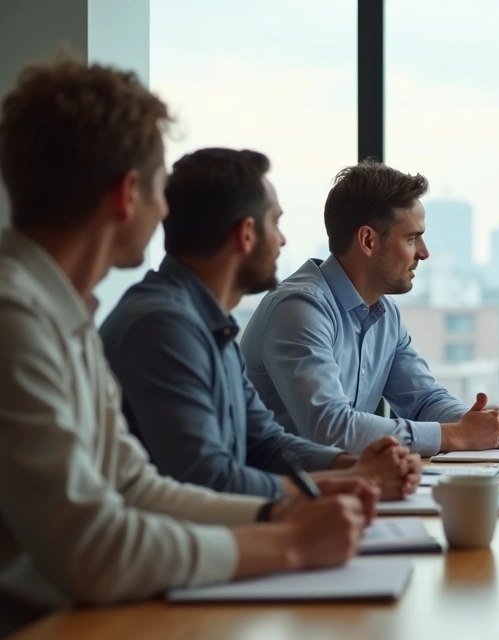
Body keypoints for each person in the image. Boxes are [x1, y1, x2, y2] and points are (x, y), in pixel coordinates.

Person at [0, 56, 372, 635]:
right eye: (158, 190)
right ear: (128, 194)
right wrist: (289, 544)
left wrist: (283, 513)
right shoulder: (15, 318)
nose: (166, 211)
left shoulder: (58, 313)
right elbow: (93, 549)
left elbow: (136, 488)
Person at [99, 148, 422, 500]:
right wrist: (351, 480)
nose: (282, 240)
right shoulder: (162, 326)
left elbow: (265, 443)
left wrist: (351, 467)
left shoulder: (206, 323)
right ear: (247, 234)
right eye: (275, 223)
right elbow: (207, 480)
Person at [241, 160, 499, 456]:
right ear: (368, 240)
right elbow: (331, 429)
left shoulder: (385, 314)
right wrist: (459, 435)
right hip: (280, 494)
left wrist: (475, 421)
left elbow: (423, 400)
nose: (424, 252)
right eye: (411, 238)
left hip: (344, 485)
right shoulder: (299, 310)